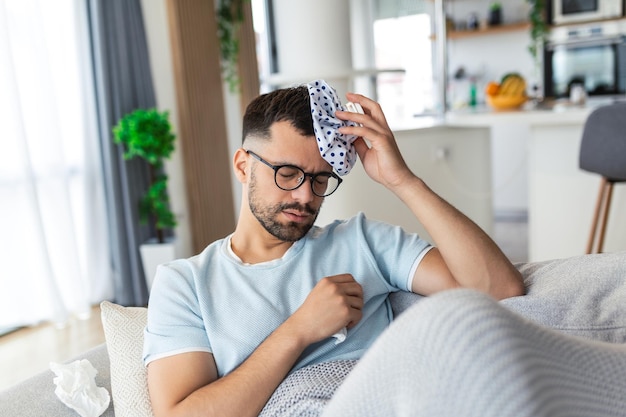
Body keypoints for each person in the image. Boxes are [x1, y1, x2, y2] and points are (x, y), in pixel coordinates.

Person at [143, 81, 525, 417]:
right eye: (288, 174)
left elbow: (499, 290)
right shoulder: (185, 283)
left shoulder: (363, 242)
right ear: (244, 167)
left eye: (320, 179)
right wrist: (300, 329)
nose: (305, 196)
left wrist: (402, 180)